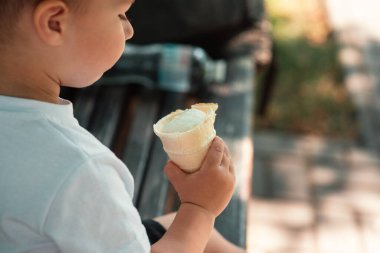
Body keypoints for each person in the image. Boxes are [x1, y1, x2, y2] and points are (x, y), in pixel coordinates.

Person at [0, 0, 246, 252]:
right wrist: (200, 207)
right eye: (120, 14)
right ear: (54, 23)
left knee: (196, 235)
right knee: (195, 228)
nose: (130, 31)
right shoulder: (79, 170)